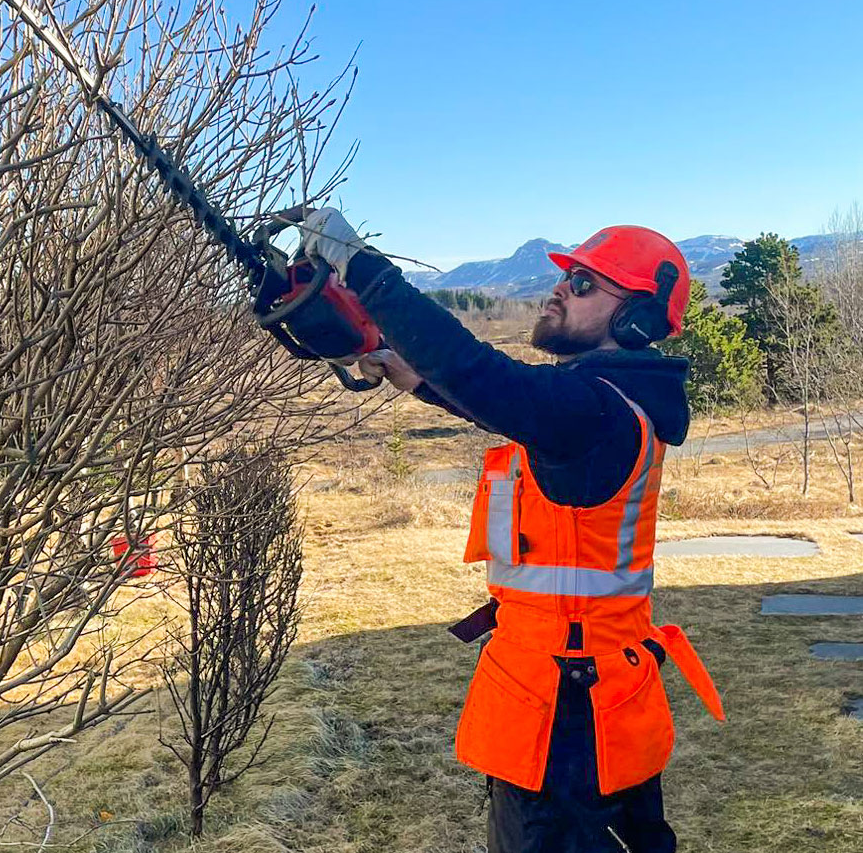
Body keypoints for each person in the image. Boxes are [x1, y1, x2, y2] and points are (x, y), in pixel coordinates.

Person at [297, 211, 725, 853]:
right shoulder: (605, 403)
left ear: (633, 320)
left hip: (566, 715)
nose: (559, 290)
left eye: (583, 284)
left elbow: (483, 376)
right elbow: (504, 402)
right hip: (600, 693)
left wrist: (362, 267)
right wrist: (415, 378)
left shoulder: (596, 411)